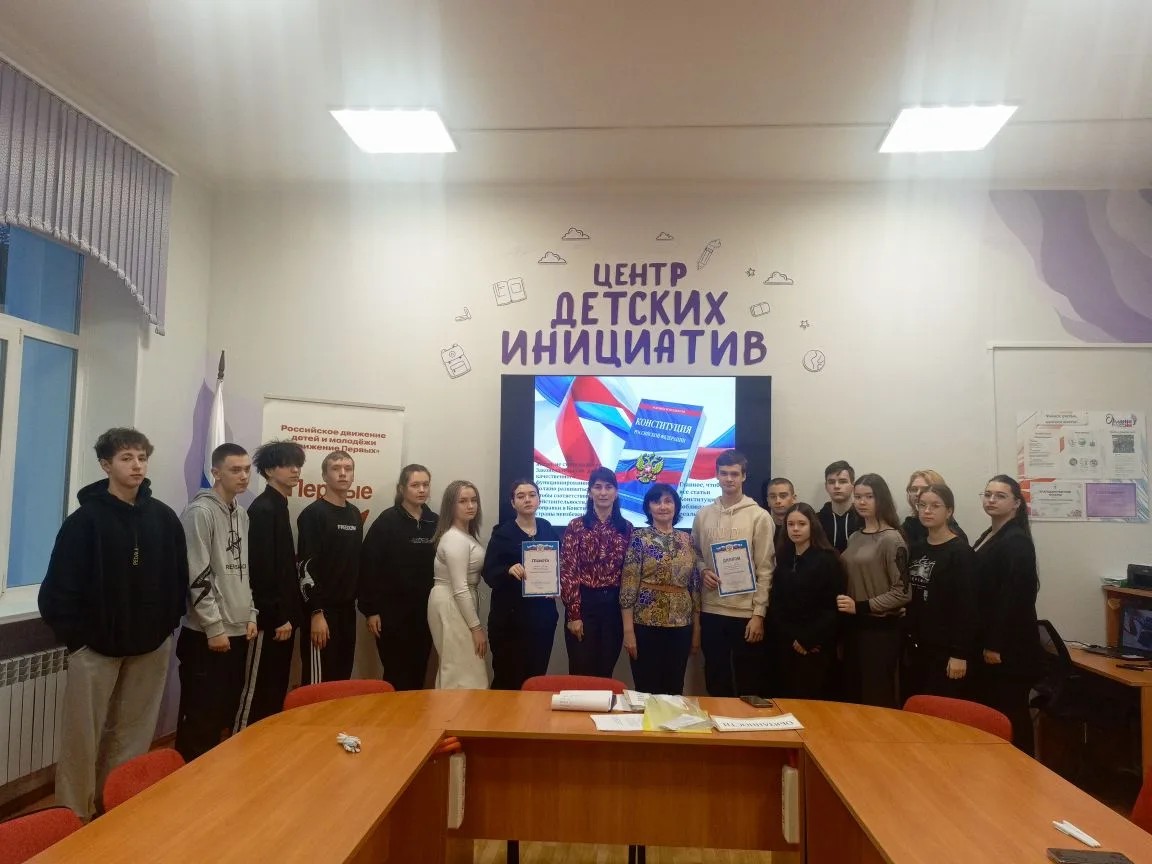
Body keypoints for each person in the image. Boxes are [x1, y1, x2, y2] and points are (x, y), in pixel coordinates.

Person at [38, 428, 187, 819]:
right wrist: (79, 640)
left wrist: (165, 626)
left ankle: (117, 807)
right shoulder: (84, 521)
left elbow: (178, 578)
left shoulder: (164, 518)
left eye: (142, 458)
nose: (137, 465)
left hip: (150, 646)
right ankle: (73, 815)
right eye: (126, 458)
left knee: (134, 733)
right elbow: (57, 590)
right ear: (106, 465)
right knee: (82, 739)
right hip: (95, 649)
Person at [175, 443, 258, 761]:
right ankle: (188, 781)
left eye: (247, 469)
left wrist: (251, 613)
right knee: (200, 718)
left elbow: (244, 570)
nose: (243, 475)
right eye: (235, 470)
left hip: (237, 629)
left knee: (223, 713)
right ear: (216, 473)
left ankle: (212, 781)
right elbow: (197, 574)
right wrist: (213, 626)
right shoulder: (200, 512)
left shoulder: (242, 514)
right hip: (206, 635)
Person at [233, 440, 306, 730]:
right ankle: (242, 746)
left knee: (275, 688)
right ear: (269, 470)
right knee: (256, 691)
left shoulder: (279, 505)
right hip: (269, 620)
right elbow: (261, 570)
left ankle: (266, 746)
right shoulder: (263, 509)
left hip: (284, 618)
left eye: (297, 464)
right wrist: (276, 616)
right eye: (287, 465)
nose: (295, 470)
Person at [692, 450, 774, 697]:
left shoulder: (759, 516)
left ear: (744, 476)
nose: (729, 479)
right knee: (716, 676)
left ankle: (746, 722)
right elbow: (695, 554)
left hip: (745, 613)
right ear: (716, 475)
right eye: (724, 473)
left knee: (748, 679)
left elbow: (766, 568)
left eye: (735, 474)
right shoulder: (703, 515)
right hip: (712, 609)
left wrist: (758, 614)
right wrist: (702, 570)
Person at [973, 474, 1042, 754]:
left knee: (1011, 714)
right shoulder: (990, 534)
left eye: (1000, 496)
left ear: (1016, 503)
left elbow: (1015, 599)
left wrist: (995, 645)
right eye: (988, 494)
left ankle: (1024, 768)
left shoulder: (1016, 541)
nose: (991, 500)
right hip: (990, 641)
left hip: (1009, 649)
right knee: (994, 713)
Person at [359, 464, 438, 690]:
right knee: (396, 673)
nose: (421, 490)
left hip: (425, 613)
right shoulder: (387, 521)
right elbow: (368, 566)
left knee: (419, 671)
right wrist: (371, 610)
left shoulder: (435, 521)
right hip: (391, 615)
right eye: (415, 485)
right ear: (402, 489)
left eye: (425, 485)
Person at [836, 473, 909, 707]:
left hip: (879, 630)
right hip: (853, 627)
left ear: (881, 499)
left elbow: (903, 592)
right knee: (852, 695)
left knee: (875, 696)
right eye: (858, 497)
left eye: (869, 496)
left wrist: (862, 606)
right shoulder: (854, 536)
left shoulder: (892, 539)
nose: (862, 502)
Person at [620, 484, 701, 695]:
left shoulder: (687, 540)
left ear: (676, 506)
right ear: (649, 507)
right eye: (656, 502)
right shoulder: (639, 538)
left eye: (668, 501)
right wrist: (628, 631)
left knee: (674, 687)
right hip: (645, 623)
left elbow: (694, 585)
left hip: (681, 625)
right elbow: (628, 584)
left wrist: (697, 629)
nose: (663, 506)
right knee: (647, 689)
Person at [482, 479, 561, 690]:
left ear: (539, 499)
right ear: (513, 502)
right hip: (509, 622)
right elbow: (488, 572)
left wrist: (556, 584)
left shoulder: (546, 528)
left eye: (532, 495)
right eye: (521, 496)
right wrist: (508, 570)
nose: (527, 499)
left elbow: (559, 564)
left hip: (542, 620)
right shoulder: (502, 533)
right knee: (508, 680)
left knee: (535, 680)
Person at [904, 484, 978, 701]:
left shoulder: (961, 552)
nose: (927, 511)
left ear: (949, 511)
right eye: (922, 505)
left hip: (946, 650)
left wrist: (959, 654)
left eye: (935, 506)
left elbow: (967, 607)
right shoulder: (917, 548)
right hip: (917, 646)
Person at [560, 467, 633, 678]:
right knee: (581, 672)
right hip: (584, 604)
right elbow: (568, 570)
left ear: (616, 493)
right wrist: (574, 614)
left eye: (608, 487)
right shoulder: (576, 526)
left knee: (605, 672)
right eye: (598, 487)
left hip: (613, 607)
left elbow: (629, 573)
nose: (603, 492)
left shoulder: (626, 528)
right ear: (590, 492)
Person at [298, 450, 362, 684]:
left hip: (348, 612)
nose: (343, 473)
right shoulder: (313, 514)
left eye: (348, 468)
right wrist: (316, 612)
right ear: (325, 476)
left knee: (340, 681)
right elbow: (305, 568)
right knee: (318, 685)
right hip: (321, 613)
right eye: (336, 468)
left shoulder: (354, 514)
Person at [769, 503, 844, 699]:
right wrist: (791, 638)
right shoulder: (783, 559)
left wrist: (807, 639)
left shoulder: (828, 560)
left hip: (816, 646)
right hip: (786, 644)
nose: (795, 529)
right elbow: (777, 604)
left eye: (801, 524)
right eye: (790, 524)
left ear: (812, 526)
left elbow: (832, 607)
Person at [428, 480, 489, 689]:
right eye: (462, 501)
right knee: (463, 674)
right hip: (451, 602)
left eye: (474, 500)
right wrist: (476, 628)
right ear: (450, 505)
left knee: (460, 669)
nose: (470, 505)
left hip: (457, 602)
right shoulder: (454, 538)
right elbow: (460, 587)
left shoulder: (464, 535)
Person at [902, 469, 967, 546]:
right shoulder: (909, 524)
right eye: (914, 489)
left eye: (925, 489)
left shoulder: (955, 535)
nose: (918, 493)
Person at [817, 460, 863, 553]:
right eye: (831, 482)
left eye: (842, 481)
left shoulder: (864, 519)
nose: (836, 486)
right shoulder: (816, 520)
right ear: (826, 486)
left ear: (853, 486)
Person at [764, 477, 797, 550]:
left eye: (783, 496)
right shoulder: (763, 530)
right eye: (773, 497)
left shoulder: (800, 529)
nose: (778, 501)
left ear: (794, 498)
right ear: (768, 501)